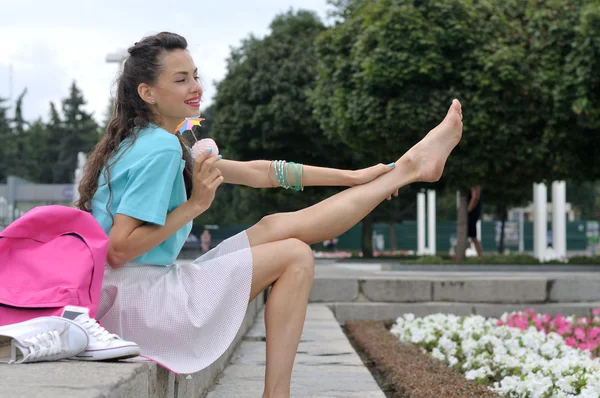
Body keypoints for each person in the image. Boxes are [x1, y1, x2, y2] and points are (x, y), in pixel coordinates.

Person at [75, 32, 462, 397]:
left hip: (131, 296)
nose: (195, 87)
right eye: (180, 79)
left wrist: (352, 176)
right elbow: (119, 249)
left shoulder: (155, 140)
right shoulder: (160, 148)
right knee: (295, 255)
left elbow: (262, 173)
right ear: (148, 93)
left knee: (272, 226)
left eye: (195, 75)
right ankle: (276, 395)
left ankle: (407, 168)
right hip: (140, 307)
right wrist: (196, 205)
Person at [467, 185, 483, 256]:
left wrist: (468, 210)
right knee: (472, 236)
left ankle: (480, 255)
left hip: (472, 213)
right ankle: (480, 255)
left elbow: (475, 197)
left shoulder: (474, 183)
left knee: (473, 236)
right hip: (474, 213)